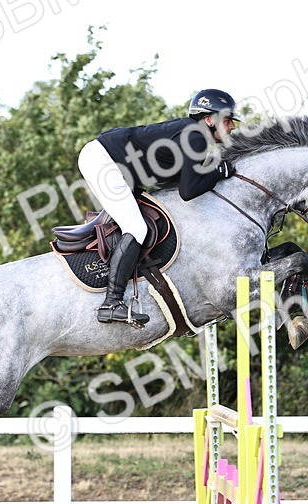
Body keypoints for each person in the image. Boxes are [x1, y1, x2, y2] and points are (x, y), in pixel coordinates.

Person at [78, 89, 240, 326]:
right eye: (227, 120)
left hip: (113, 162)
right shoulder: (195, 137)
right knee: (136, 227)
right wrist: (219, 171)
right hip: (104, 161)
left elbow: (175, 183)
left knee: (139, 220)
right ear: (209, 119)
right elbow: (188, 191)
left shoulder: (191, 134)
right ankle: (111, 303)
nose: (232, 127)